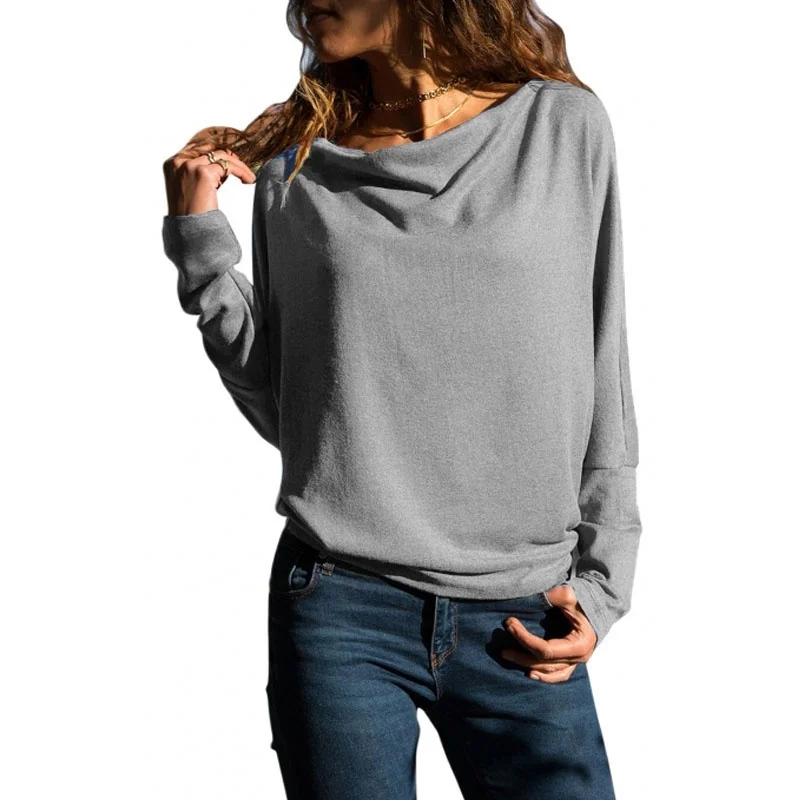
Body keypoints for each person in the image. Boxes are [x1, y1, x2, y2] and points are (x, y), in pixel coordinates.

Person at [161, 1, 642, 797]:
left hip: (522, 605)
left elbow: (602, 360)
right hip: (338, 603)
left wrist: (603, 582)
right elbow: (291, 405)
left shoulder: (561, 127)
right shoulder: (295, 162)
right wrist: (200, 244)